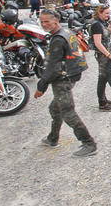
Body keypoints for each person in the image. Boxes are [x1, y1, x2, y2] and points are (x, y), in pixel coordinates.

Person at [35, 9, 95, 157]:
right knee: (55, 109)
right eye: (42, 22)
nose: (44, 24)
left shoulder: (58, 39)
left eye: (47, 21)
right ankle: (53, 138)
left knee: (67, 112)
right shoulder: (66, 32)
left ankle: (88, 143)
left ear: (55, 20)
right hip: (71, 74)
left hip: (63, 79)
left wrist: (41, 85)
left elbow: (52, 67)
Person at [90, 4, 111, 111]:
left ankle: (104, 98)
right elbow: (97, 43)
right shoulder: (96, 25)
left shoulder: (103, 23)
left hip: (107, 53)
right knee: (102, 77)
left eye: (109, 13)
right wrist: (109, 55)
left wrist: (110, 21)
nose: (108, 15)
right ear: (99, 13)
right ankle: (102, 103)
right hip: (102, 55)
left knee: (106, 77)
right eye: (106, 13)